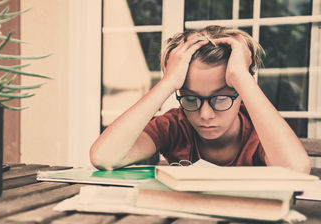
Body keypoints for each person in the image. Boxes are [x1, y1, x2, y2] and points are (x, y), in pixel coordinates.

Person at [90, 25, 311, 174]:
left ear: (242, 91)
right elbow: (103, 157)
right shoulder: (174, 126)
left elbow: (296, 170)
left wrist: (242, 77)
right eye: (190, 99)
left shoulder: (261, 131)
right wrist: (167, 83)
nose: (205, 114)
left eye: (222, 98)